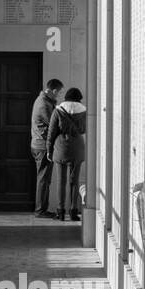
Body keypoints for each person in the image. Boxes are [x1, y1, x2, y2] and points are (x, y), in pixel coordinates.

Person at [46, 87, 86, 221]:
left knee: (61, 181)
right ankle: (74, 211)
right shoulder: (84, 110)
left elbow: (51, 132)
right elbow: (84, 129)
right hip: (78, 147)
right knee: (74, 181)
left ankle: (61, 212)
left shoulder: (58, 110)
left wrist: (49, 150)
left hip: (61, 147)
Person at [30, 78, 63, 217]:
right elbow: (54, 124)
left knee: (44, 179)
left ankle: (42, 209)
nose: (58, 95)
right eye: (57, 92)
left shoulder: (43, 101)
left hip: (39, 145)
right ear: (51, 90)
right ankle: (40, 210)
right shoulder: (43, 104)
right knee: (43, 179)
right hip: (42, 147)